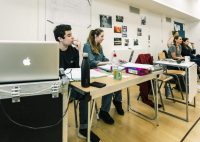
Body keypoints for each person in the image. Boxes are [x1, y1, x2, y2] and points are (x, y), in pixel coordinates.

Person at [53, 24, 101, 142]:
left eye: (71, 34)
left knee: (85, 94)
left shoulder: (73, 51)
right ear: (60, 38)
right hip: (56, 86)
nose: (72, 37)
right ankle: (55, 129)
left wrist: (79, 51)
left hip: (70, 85)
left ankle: (83, 129)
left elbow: (76, 72)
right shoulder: (52, 51)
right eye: (68, 35)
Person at [83, 28, 124, 125]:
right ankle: (104, 111)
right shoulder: (87, 46)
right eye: (102, 36)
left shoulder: (99, 46)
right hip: (92, 73)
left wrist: (114, 61)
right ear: (95, 36)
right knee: (108, 86)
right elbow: (91, 62)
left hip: (100, 71)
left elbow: (103, 58)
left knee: (117, 80)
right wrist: (107, 62)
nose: (103, 38)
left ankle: (117, 101)